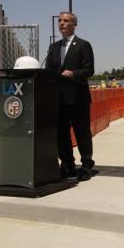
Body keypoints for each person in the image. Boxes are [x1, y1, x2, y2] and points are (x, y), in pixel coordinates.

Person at [45, 11, 96, 180]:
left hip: (78, 97)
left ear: (74, 24)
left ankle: (87, 164)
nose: (62, 23)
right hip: (58, 98)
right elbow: (49, 72)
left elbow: (89, 70)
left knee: (82, 132)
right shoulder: (53, 48)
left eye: (66, 21)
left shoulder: (83, 45)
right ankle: (67, 164)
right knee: (61, 133)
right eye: (60, 21)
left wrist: (73, 73)